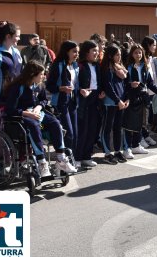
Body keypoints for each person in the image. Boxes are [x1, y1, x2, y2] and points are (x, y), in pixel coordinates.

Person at [3, 61, 77, 175]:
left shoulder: (39, 85)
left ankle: (61, 158)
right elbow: (9, 109)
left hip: (37, 113)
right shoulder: (18, 87)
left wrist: (38, 107)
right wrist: (28, 113)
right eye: (41, 74)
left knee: (55, 122)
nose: (44, 76)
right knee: (33, 125)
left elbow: (43, 99)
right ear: (32, 74)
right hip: (20, 116)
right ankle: (41, 161)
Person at [123, 43, 157, 154]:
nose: (138, 54)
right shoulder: (128, 67)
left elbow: (149, 83)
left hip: (143, 97)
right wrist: (130, 85)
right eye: (135, 52)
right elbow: (124, 83)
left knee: (142, 123)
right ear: (132, 54)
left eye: (140, 52)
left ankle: (136, 145)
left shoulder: (144, 66)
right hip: (132, 97)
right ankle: (127, 147)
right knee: (130, 124)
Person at [46, 41, 80, 157]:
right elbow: (49, 86)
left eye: (77, 52)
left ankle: (71, 159)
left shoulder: (75, 65)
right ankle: (64, 159)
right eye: (74, 51)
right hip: (60, 103)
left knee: (74, 133)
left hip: (73, 103)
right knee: (68, 133)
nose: (76, 54)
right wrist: (61, 88)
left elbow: (76, 84)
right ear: (67, 52)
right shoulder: (58, 65)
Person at [75, 40, 103, 168]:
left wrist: (101, 92)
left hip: (94, 99)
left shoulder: (97, 66)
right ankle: (77, 157)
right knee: (82, 130)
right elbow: (75, 83)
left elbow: (99, 82)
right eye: (94, 51)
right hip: (83, 100)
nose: (97, 53)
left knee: (92, 129)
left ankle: (87, 156)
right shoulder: (79, 65)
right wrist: (80, 90)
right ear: (86, 52)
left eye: (97, 50)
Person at [100, 44, 129, 164]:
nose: (119, 57)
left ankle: (117, 151)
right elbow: (108, 87)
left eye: (120, 54)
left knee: (118, 128)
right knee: (107, 128)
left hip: (121, 103)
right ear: (111, 56)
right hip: (110, 103)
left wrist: (126, 99)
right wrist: (118, 100)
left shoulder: (120, 67)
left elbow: (124, 85)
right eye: (117, 55)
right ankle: (107, 153)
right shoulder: (107, 68)